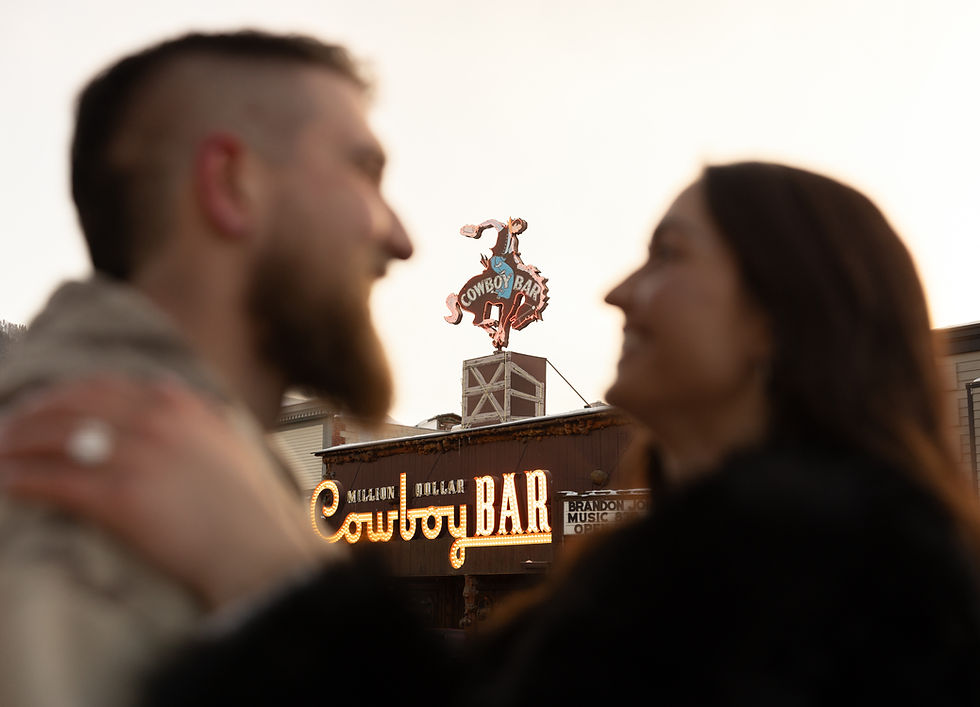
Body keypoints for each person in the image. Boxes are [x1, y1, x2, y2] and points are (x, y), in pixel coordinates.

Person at [4, 161, 980, 702]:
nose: (617, 290)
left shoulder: (833, 573)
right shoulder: (678, 566)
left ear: (774, 314)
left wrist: (274, 573)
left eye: (667, 256)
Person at [0, 29, 413, 707]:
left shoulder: (197, 471)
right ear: (230, 183)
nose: (400, 237)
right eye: (363, 171)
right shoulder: (82, 484)